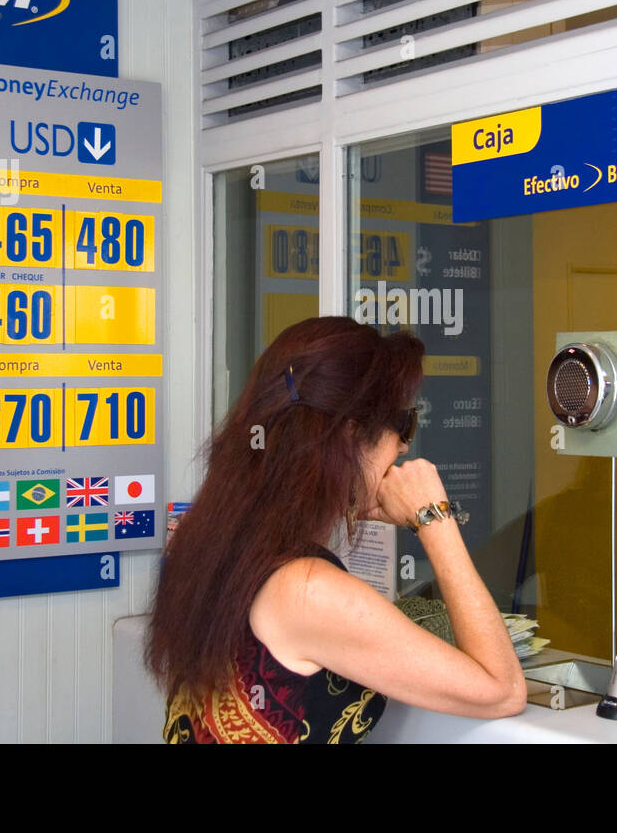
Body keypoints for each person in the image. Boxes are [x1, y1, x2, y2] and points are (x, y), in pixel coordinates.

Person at [146, 316, 526, 743]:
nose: (404, 445)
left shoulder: (209, 541)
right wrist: (433, 519)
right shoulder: (305, 591)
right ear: (348, 439)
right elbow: (501, 689)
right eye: (402, 424)